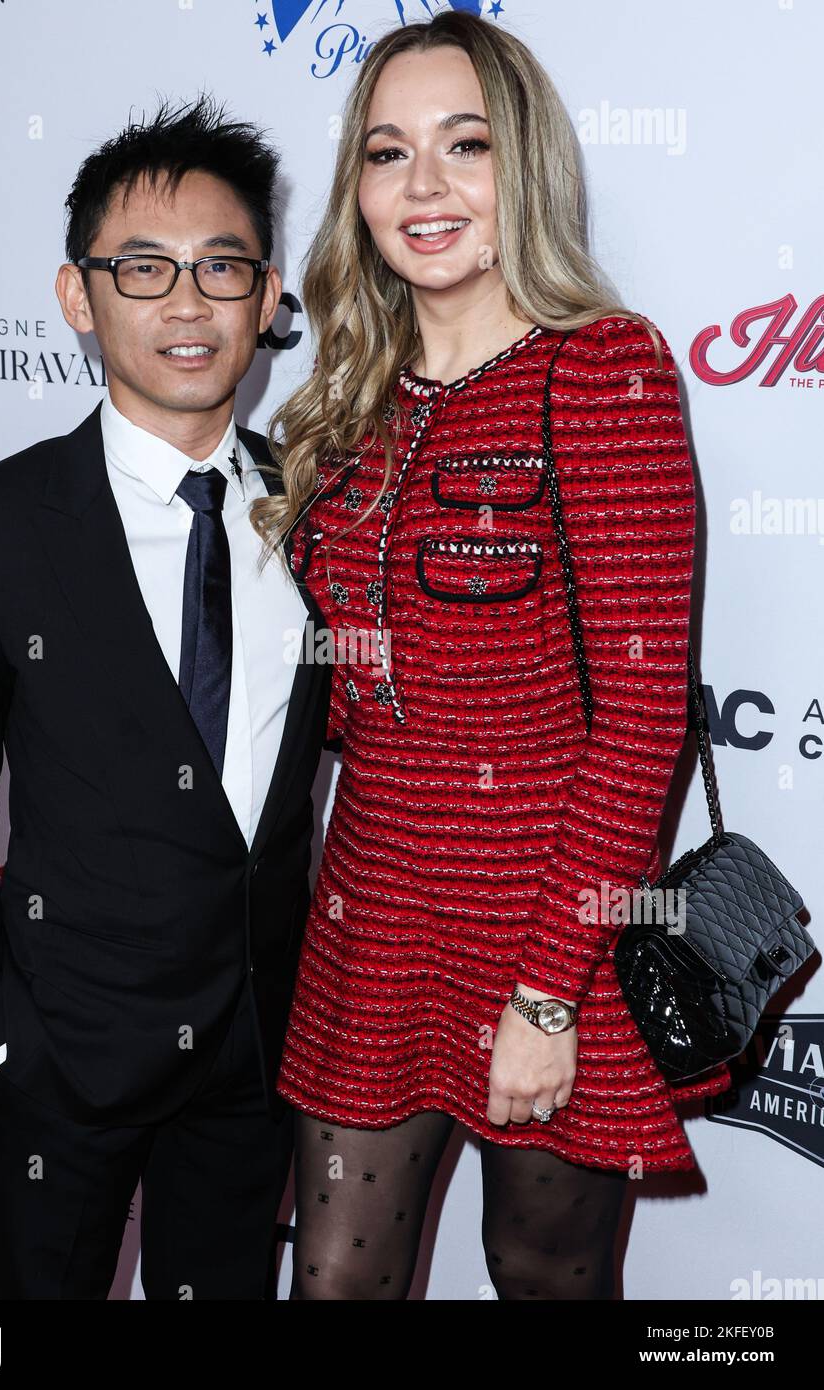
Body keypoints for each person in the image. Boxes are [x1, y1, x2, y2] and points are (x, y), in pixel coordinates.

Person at [251, 13, 734, 1300]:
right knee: (334, 1284)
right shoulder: (347, 398)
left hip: (543, 924)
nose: (421, 188)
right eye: (386, 151)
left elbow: (639, 722)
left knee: (540, 1279)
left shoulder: (603, 372)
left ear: (521, 164)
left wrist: (545, 997)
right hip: (370, 911)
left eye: (462, 145)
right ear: (352, 186)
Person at [0, 96, 333, 1300]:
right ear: (78, 297)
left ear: (267, 296)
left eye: (220, 267)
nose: (186, 304)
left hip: (255, 1052)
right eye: (143, 268)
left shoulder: (326, 506)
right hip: (60, 1057)